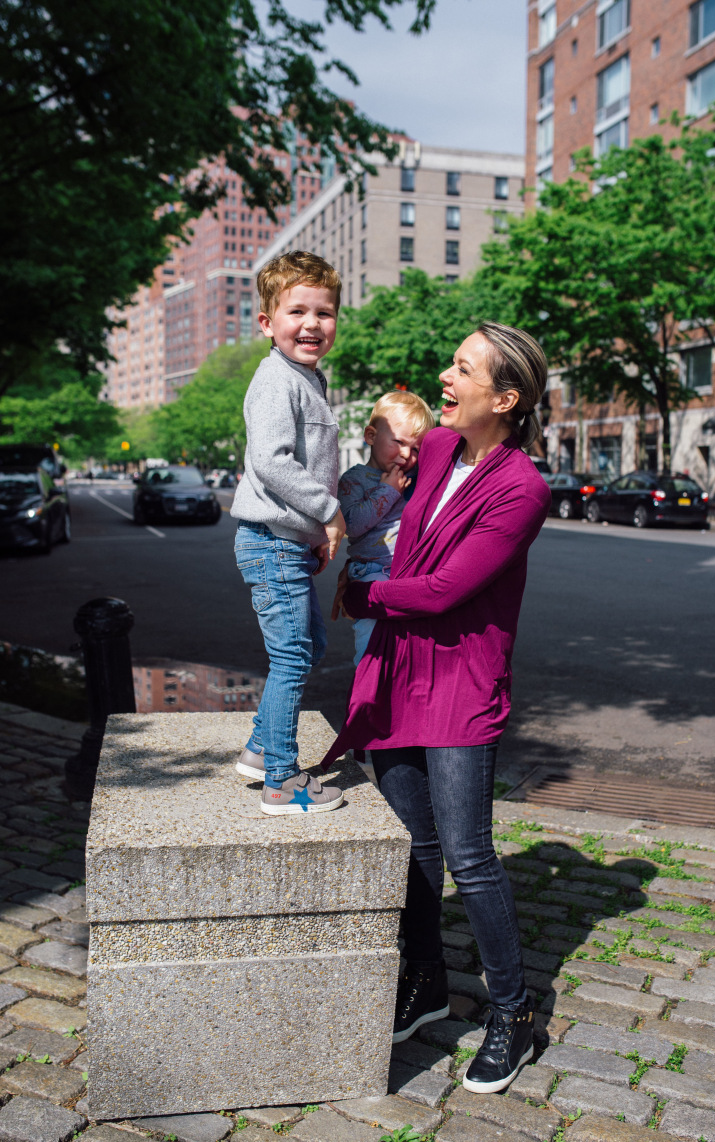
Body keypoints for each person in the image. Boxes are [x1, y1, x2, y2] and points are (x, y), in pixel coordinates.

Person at [324, 322, 551, 1093]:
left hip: (460, 680)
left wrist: (366, 594)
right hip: (399, 667)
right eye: (450, 363)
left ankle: (512, 1011)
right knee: (412, 843)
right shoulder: (435, 453)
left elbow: (451, 587)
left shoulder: (523, 487)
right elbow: (381, 515)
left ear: (507, 397)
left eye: (462, 369)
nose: (444, 378)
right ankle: (423, 982)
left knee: (468, 855)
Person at [231, 251, 346, 816]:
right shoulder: (277, 379)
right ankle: (281, 780)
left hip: (287, 541)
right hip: (270, 540)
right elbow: (273, 462)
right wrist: (328, 513)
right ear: (266, 323)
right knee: (294, 654)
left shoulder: (306, 377)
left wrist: (313, 533)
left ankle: (258, 748)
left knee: (308, 646)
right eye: (296, 310)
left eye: (323, 313)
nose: (311, 324)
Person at [338, 391, 435, 667]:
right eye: (399, 442)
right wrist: (387, 491)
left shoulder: (413, 476)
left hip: (406, 573)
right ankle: (367, 691)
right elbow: (353, 526)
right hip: (370, 574)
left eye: (416, 449)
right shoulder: (354, 479)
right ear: (370, 436)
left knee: (406, 652)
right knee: (372, 649)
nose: (407, 455)